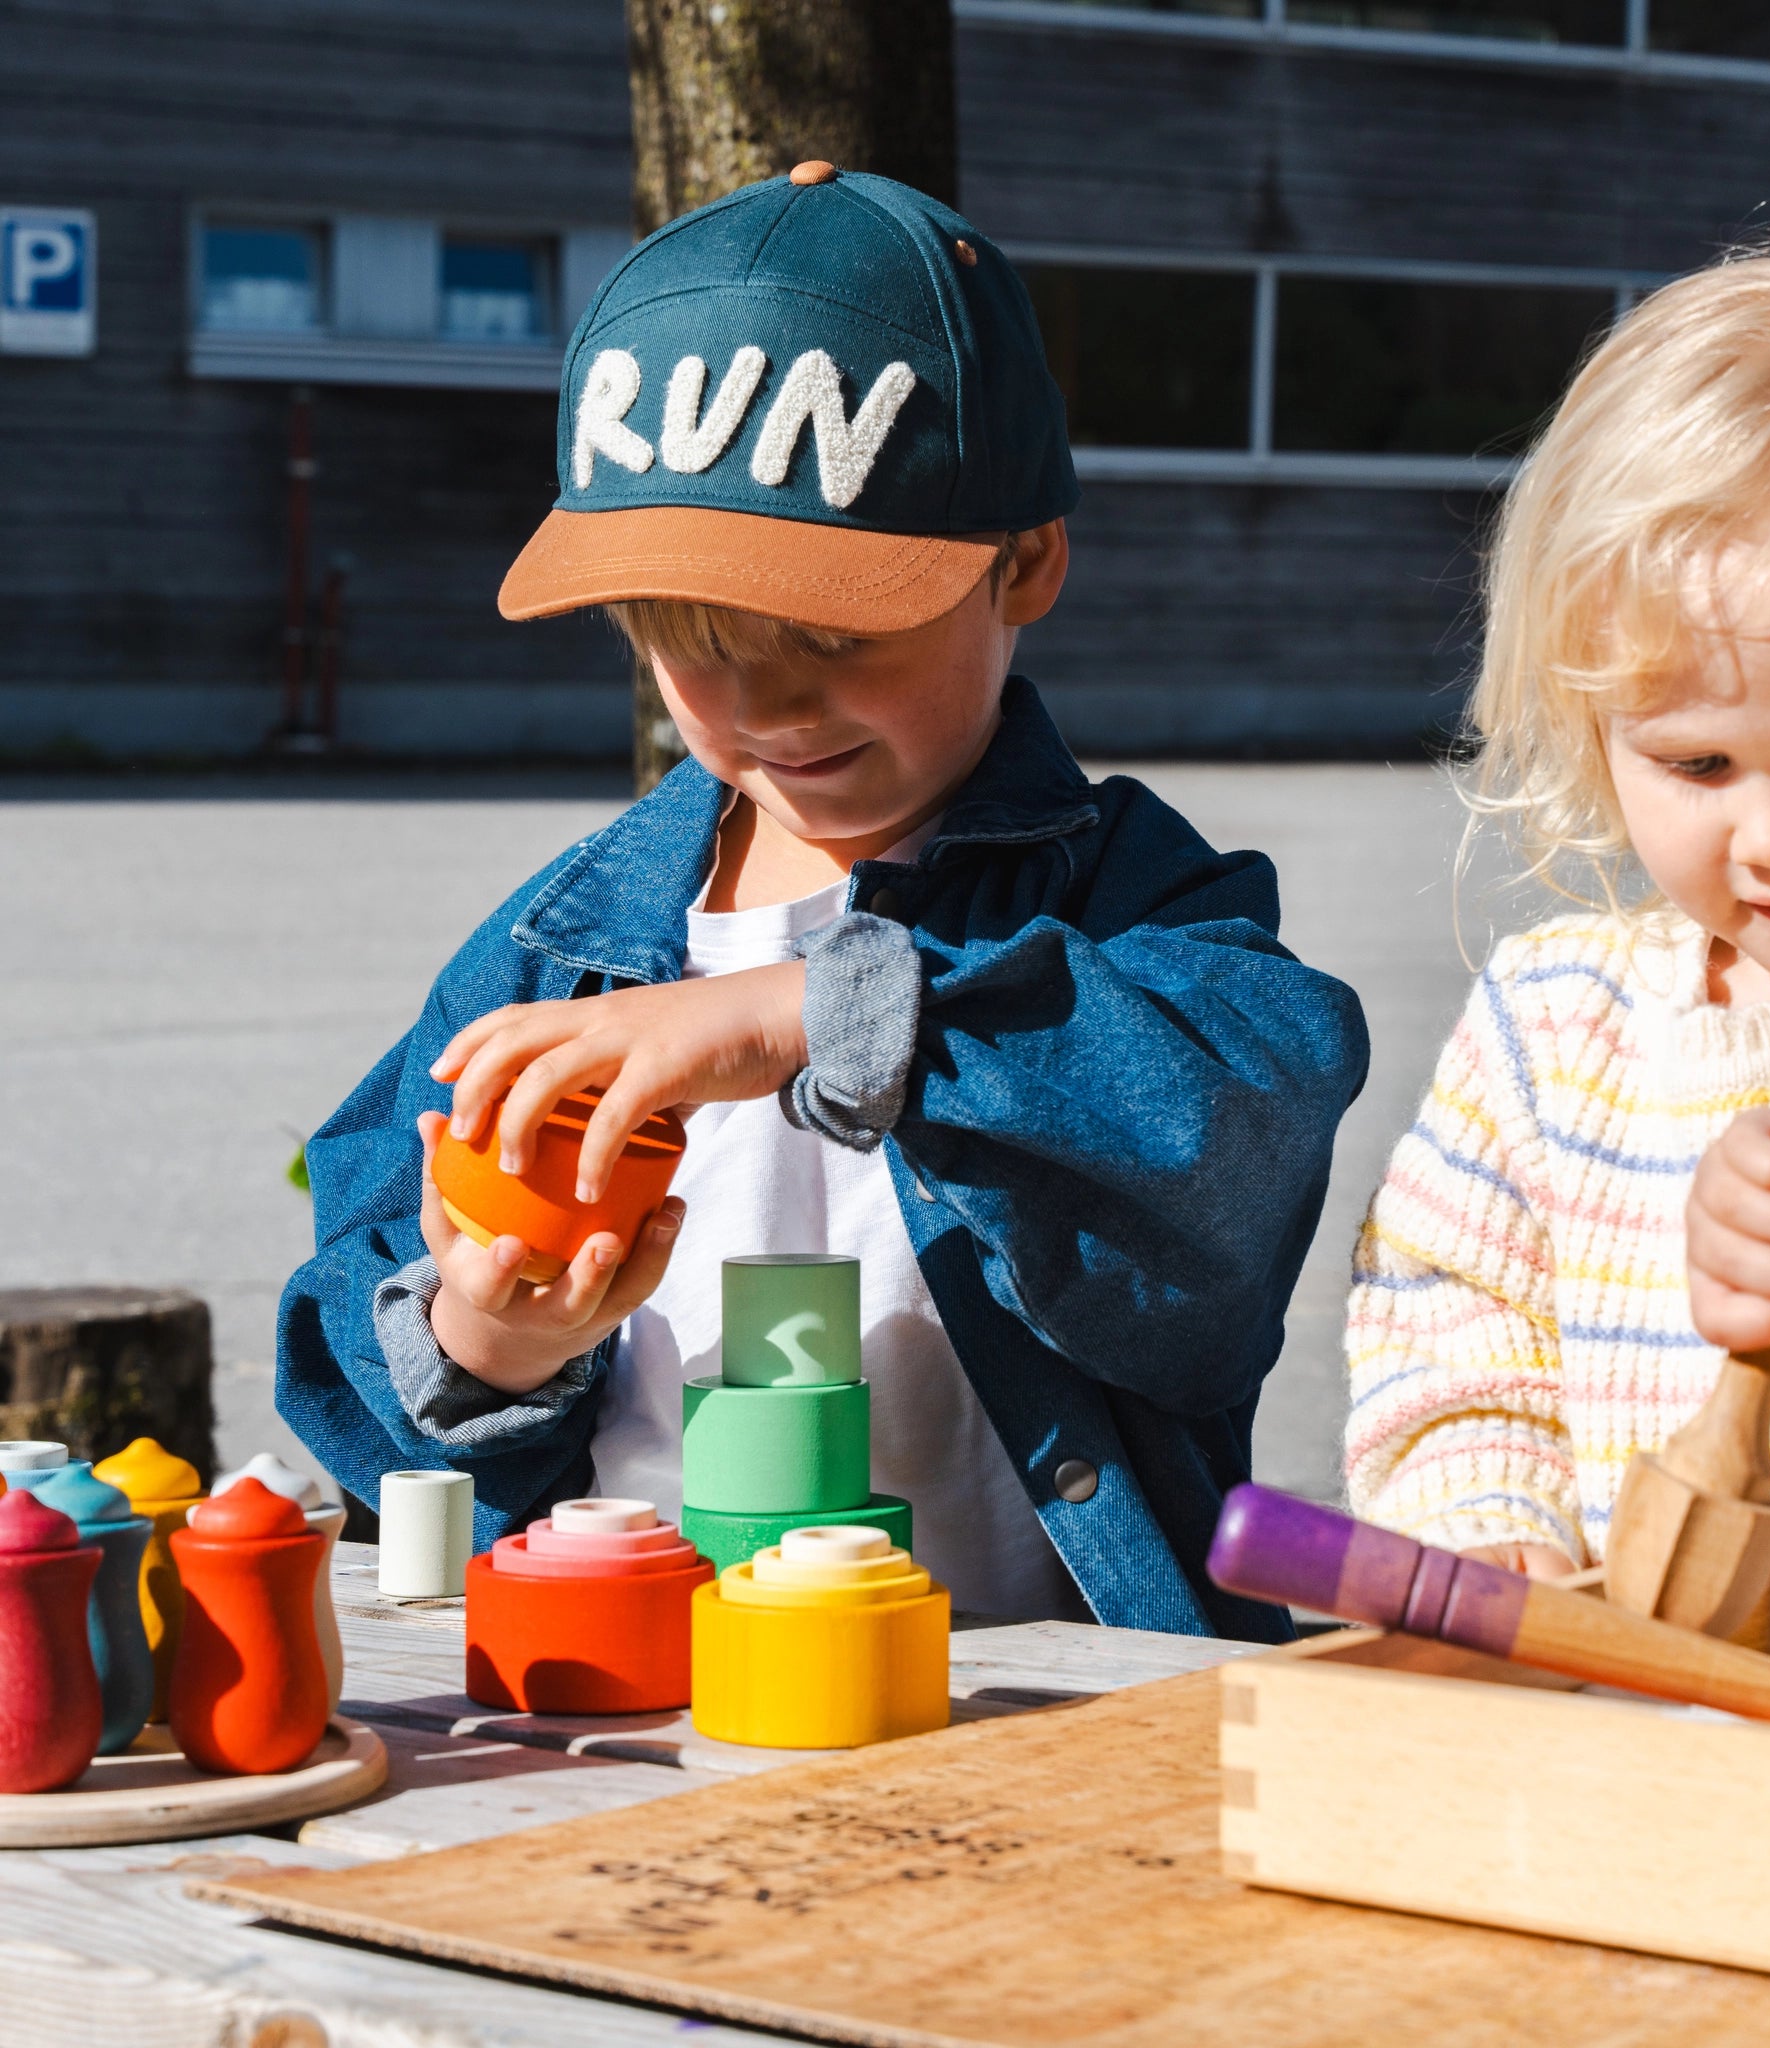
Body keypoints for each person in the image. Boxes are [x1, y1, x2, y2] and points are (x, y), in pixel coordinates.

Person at [277, 166, 1369, 1639]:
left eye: (832, 629)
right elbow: (366, 1315)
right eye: (688, 642)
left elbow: (1241, 1123)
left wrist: (821, 1013)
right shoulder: (560, 948)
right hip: (646, 1694)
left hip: (1029, 1699)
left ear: (1025, 561)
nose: (765, 700)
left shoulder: (1127, 894)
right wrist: (485, 1347)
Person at [1345, 245, 1770, 1576]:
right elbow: (1451, 1341)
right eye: (1697, 764)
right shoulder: (1556, 1027)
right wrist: (1491, 1546)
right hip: (1650, 1724)